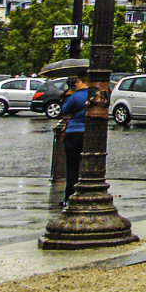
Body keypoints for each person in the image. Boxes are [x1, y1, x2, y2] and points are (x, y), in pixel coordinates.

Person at [59, 73, 88, 206]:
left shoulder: (76, 96)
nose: (76, 84)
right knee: (88, 166)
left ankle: (69, 196)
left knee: (72, 166)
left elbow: (64, 110)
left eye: (78, 82)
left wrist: (66, 96)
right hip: (89, 134)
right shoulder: (96, 95)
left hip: (73, 132)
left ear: (84, 82)